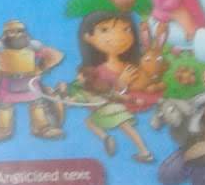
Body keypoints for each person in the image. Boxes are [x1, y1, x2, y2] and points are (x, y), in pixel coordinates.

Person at [65, 11, 154, 162]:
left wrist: (126, 88)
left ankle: (113, 140)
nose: (118, 36)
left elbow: (128, 89)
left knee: (100, 123)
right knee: (113, 125)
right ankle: (139, 150)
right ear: (88, 37)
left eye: (126, 29)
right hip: (114, 107)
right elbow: (111, 93)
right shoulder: (98, 74)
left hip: (112, 107)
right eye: (105, 30)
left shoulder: (105, 77)